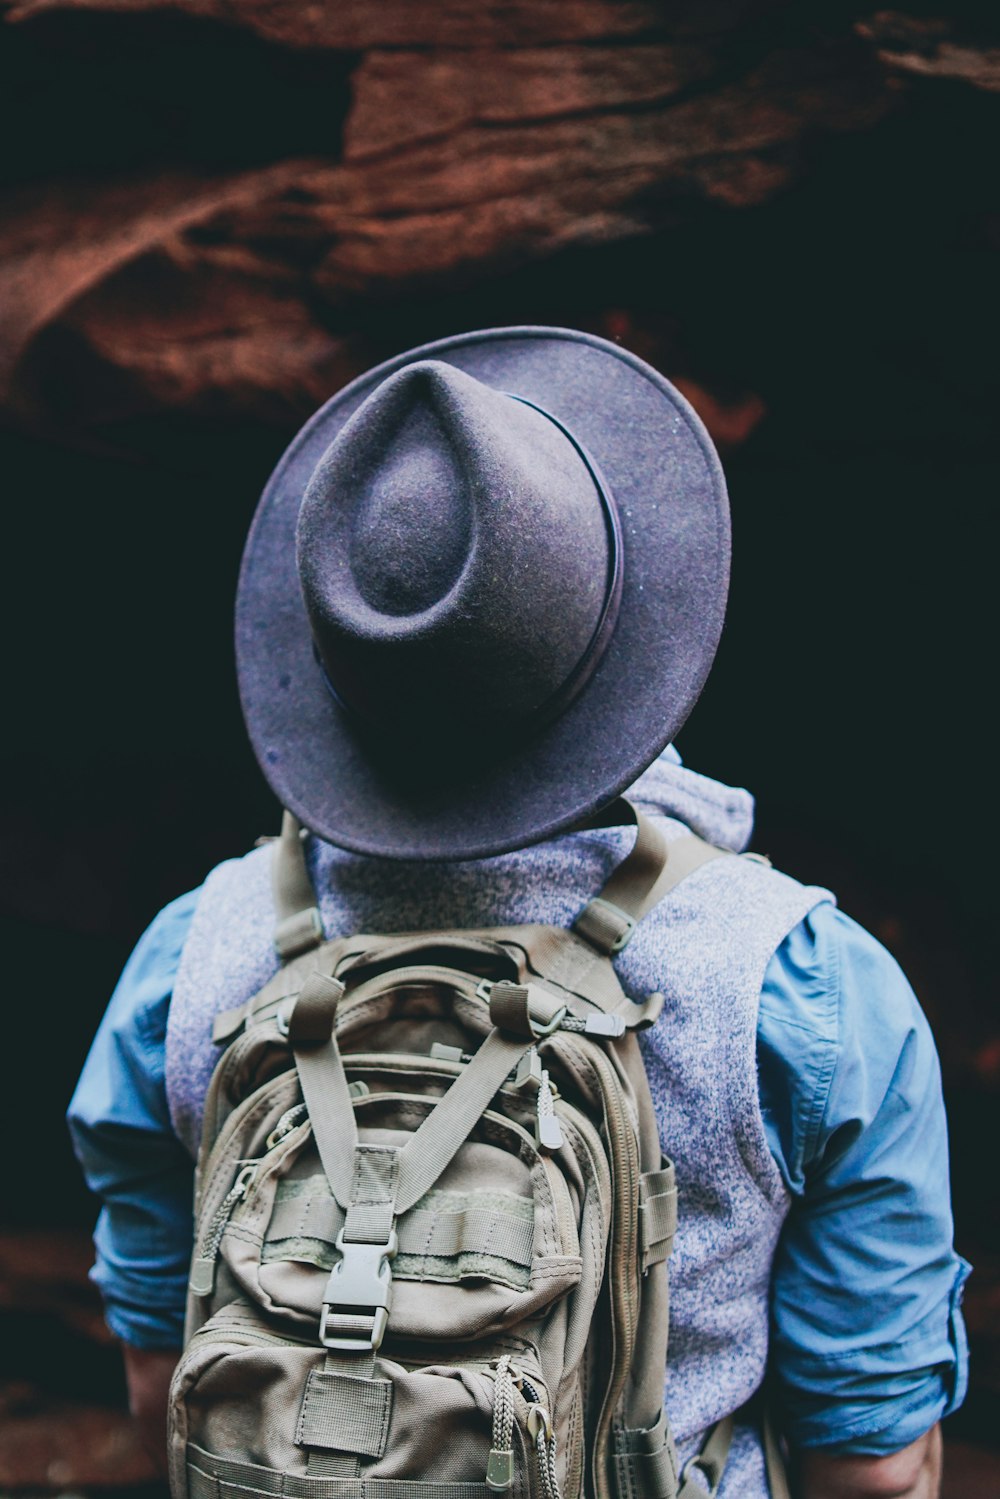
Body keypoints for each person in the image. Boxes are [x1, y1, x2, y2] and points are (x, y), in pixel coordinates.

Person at [69, 328, 968, 1498]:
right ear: (633, 614)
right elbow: (879, 1465)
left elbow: (164, 1393)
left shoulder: (188, 956)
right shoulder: (799, 980)